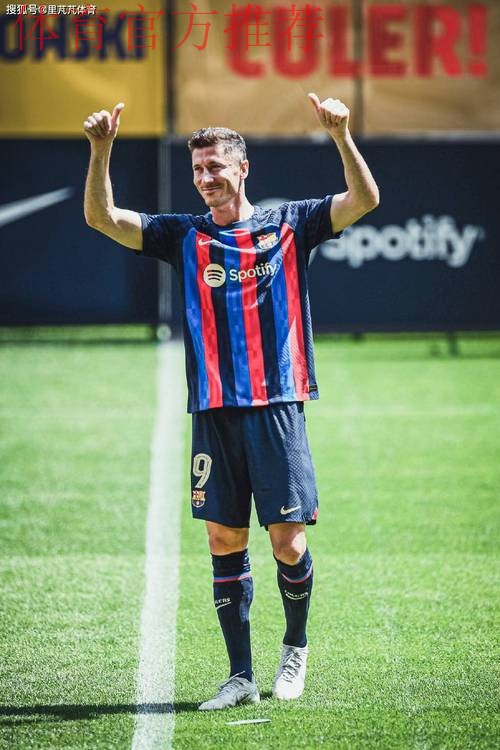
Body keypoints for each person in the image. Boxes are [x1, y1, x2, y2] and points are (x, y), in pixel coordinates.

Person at [83, 94, 379, 710]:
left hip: (277, 407)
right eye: (198, 169)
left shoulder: (291, 223)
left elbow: (365, 200)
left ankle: (294, 648)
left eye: (216, 166)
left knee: (287, 543)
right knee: (223, 539)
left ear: (243, 168)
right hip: (214, 412)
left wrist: (341, 135)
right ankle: (240, 676)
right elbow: (102, 218)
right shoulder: (183, 235)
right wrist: (101, 149)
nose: (205, 177)